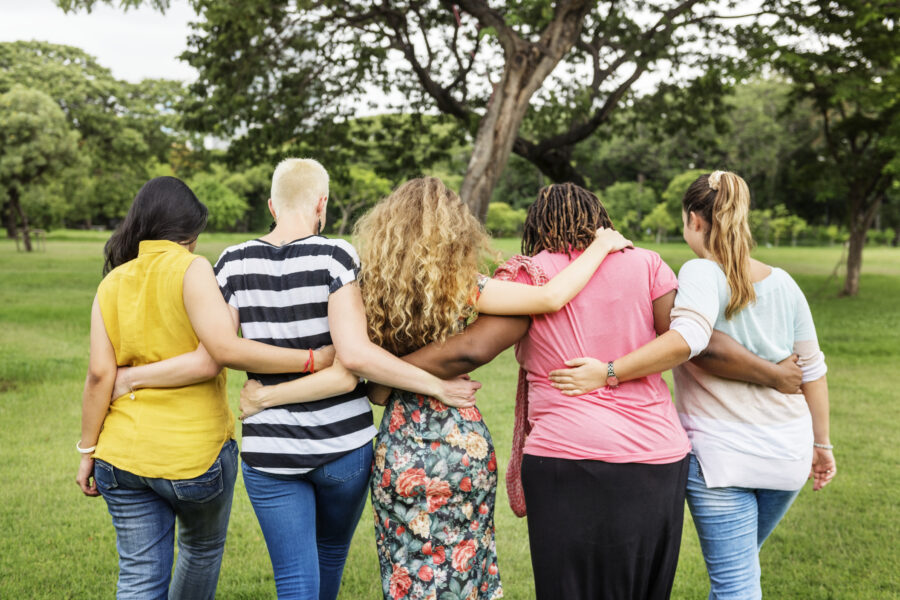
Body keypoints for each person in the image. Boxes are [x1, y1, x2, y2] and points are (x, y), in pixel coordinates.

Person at [370, 182, 804, 600]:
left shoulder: (531, 273)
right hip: (657, 457)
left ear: (537, 226)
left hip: (567, 457)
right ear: (601, 221)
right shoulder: (648, 264)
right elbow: (693, 339)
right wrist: (769, 372)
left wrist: (386, 374)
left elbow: (471, 350)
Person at [248, 176, 634, 600]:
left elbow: (363, 372)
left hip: (400, 446)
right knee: (467, 570)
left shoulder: (368, 288)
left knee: (407, 573)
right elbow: (549, 298)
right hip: (459, 444)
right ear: (455, 229)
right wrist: (600, 245)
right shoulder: (460, 285)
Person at [111, 162, 482, 600]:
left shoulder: (231, 262)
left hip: (271, 453)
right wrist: (436, 385)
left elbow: (219, 349)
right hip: (344, 447)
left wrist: (263, 396)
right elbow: (353, 360)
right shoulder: (337, 256)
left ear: (272, 205)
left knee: (294, 579)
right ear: (321, 204)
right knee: (329, 555)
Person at [548, 171, 836, 599]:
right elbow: (812, 370)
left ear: (693, 220)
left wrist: (608, 371)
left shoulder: (701, 271)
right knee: (740, 573)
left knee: (736, 586)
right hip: (787, 455)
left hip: (721, 461)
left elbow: (689, 340)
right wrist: (823, 444)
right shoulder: (784, 283)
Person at [76, 176, 344, 599]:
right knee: (200, 550)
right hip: (193, 457)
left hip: (119, 455)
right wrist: (310, 359)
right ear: (190, 232)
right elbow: (217, 352)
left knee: (139, 577)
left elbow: (97, 376)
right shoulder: (192, 268)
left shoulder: (112, 281)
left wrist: (87, 451)